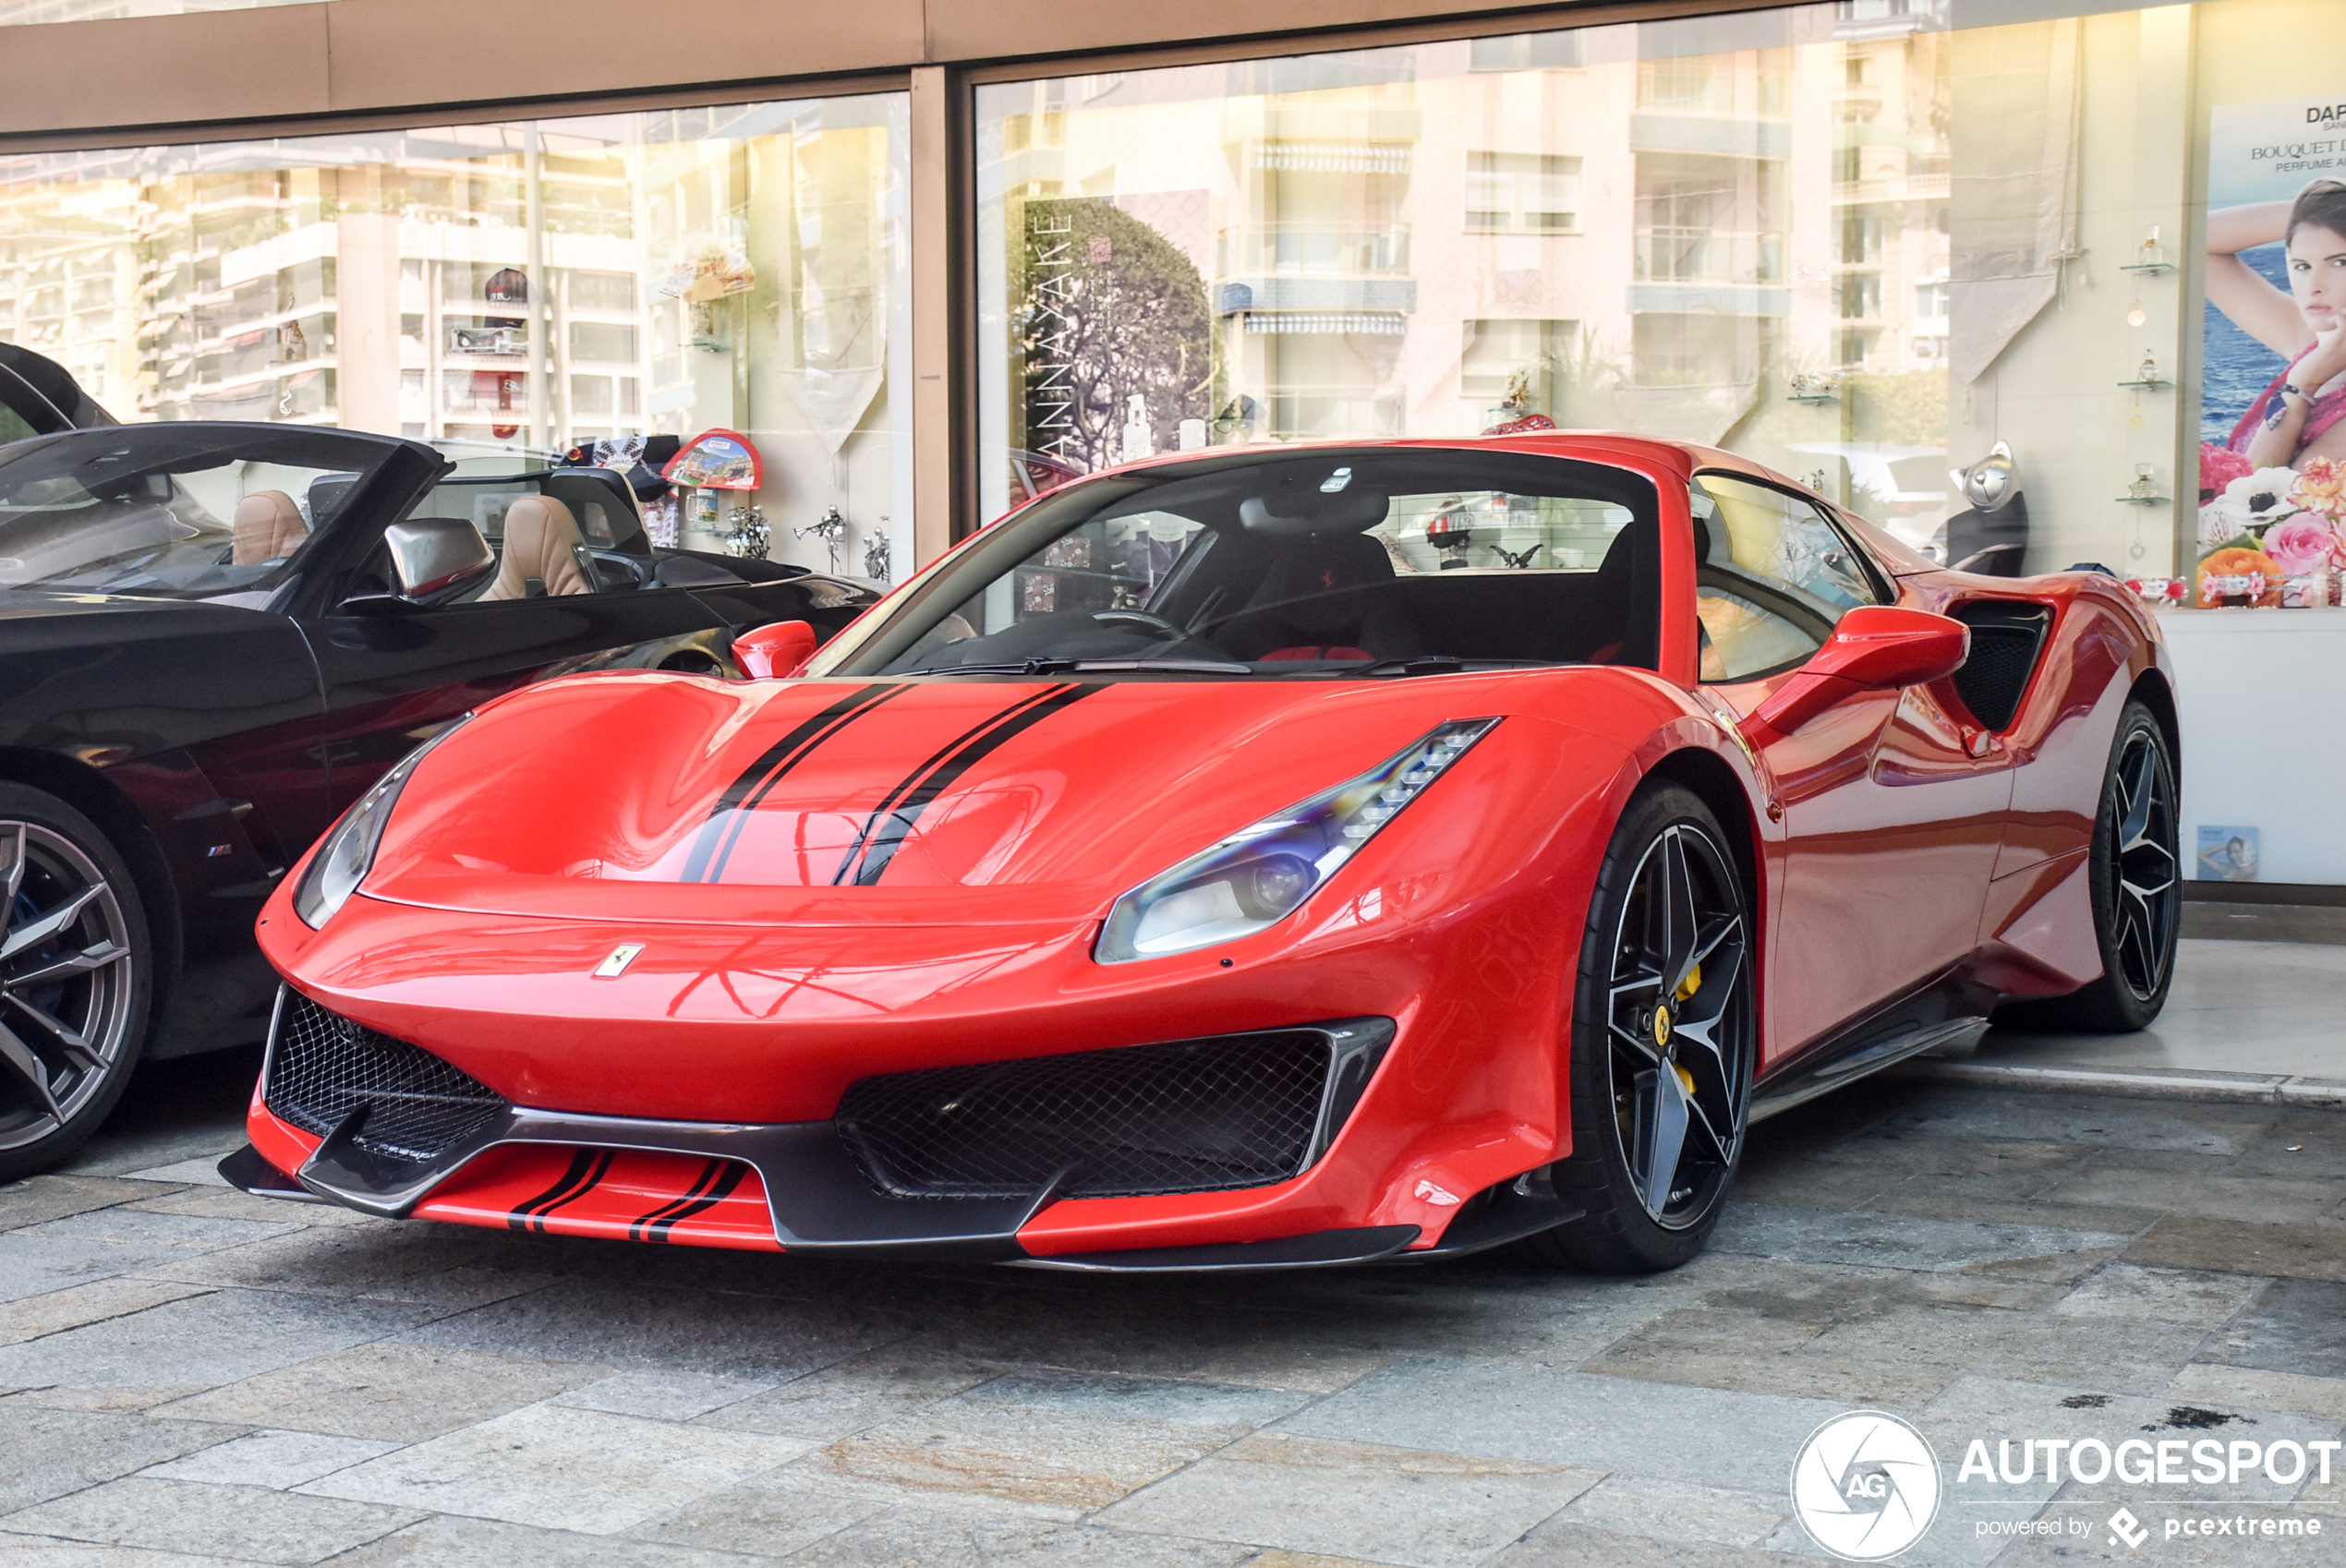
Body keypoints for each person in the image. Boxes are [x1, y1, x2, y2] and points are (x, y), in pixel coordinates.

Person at [2207, 179, 2346, 467]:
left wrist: (2300, 386)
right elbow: (2195, 241)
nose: (2313, 286)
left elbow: (2264, 497)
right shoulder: (2311, 338)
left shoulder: (2314, 352)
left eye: (2339, 263)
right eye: (2302, 266)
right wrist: (2319, 210)